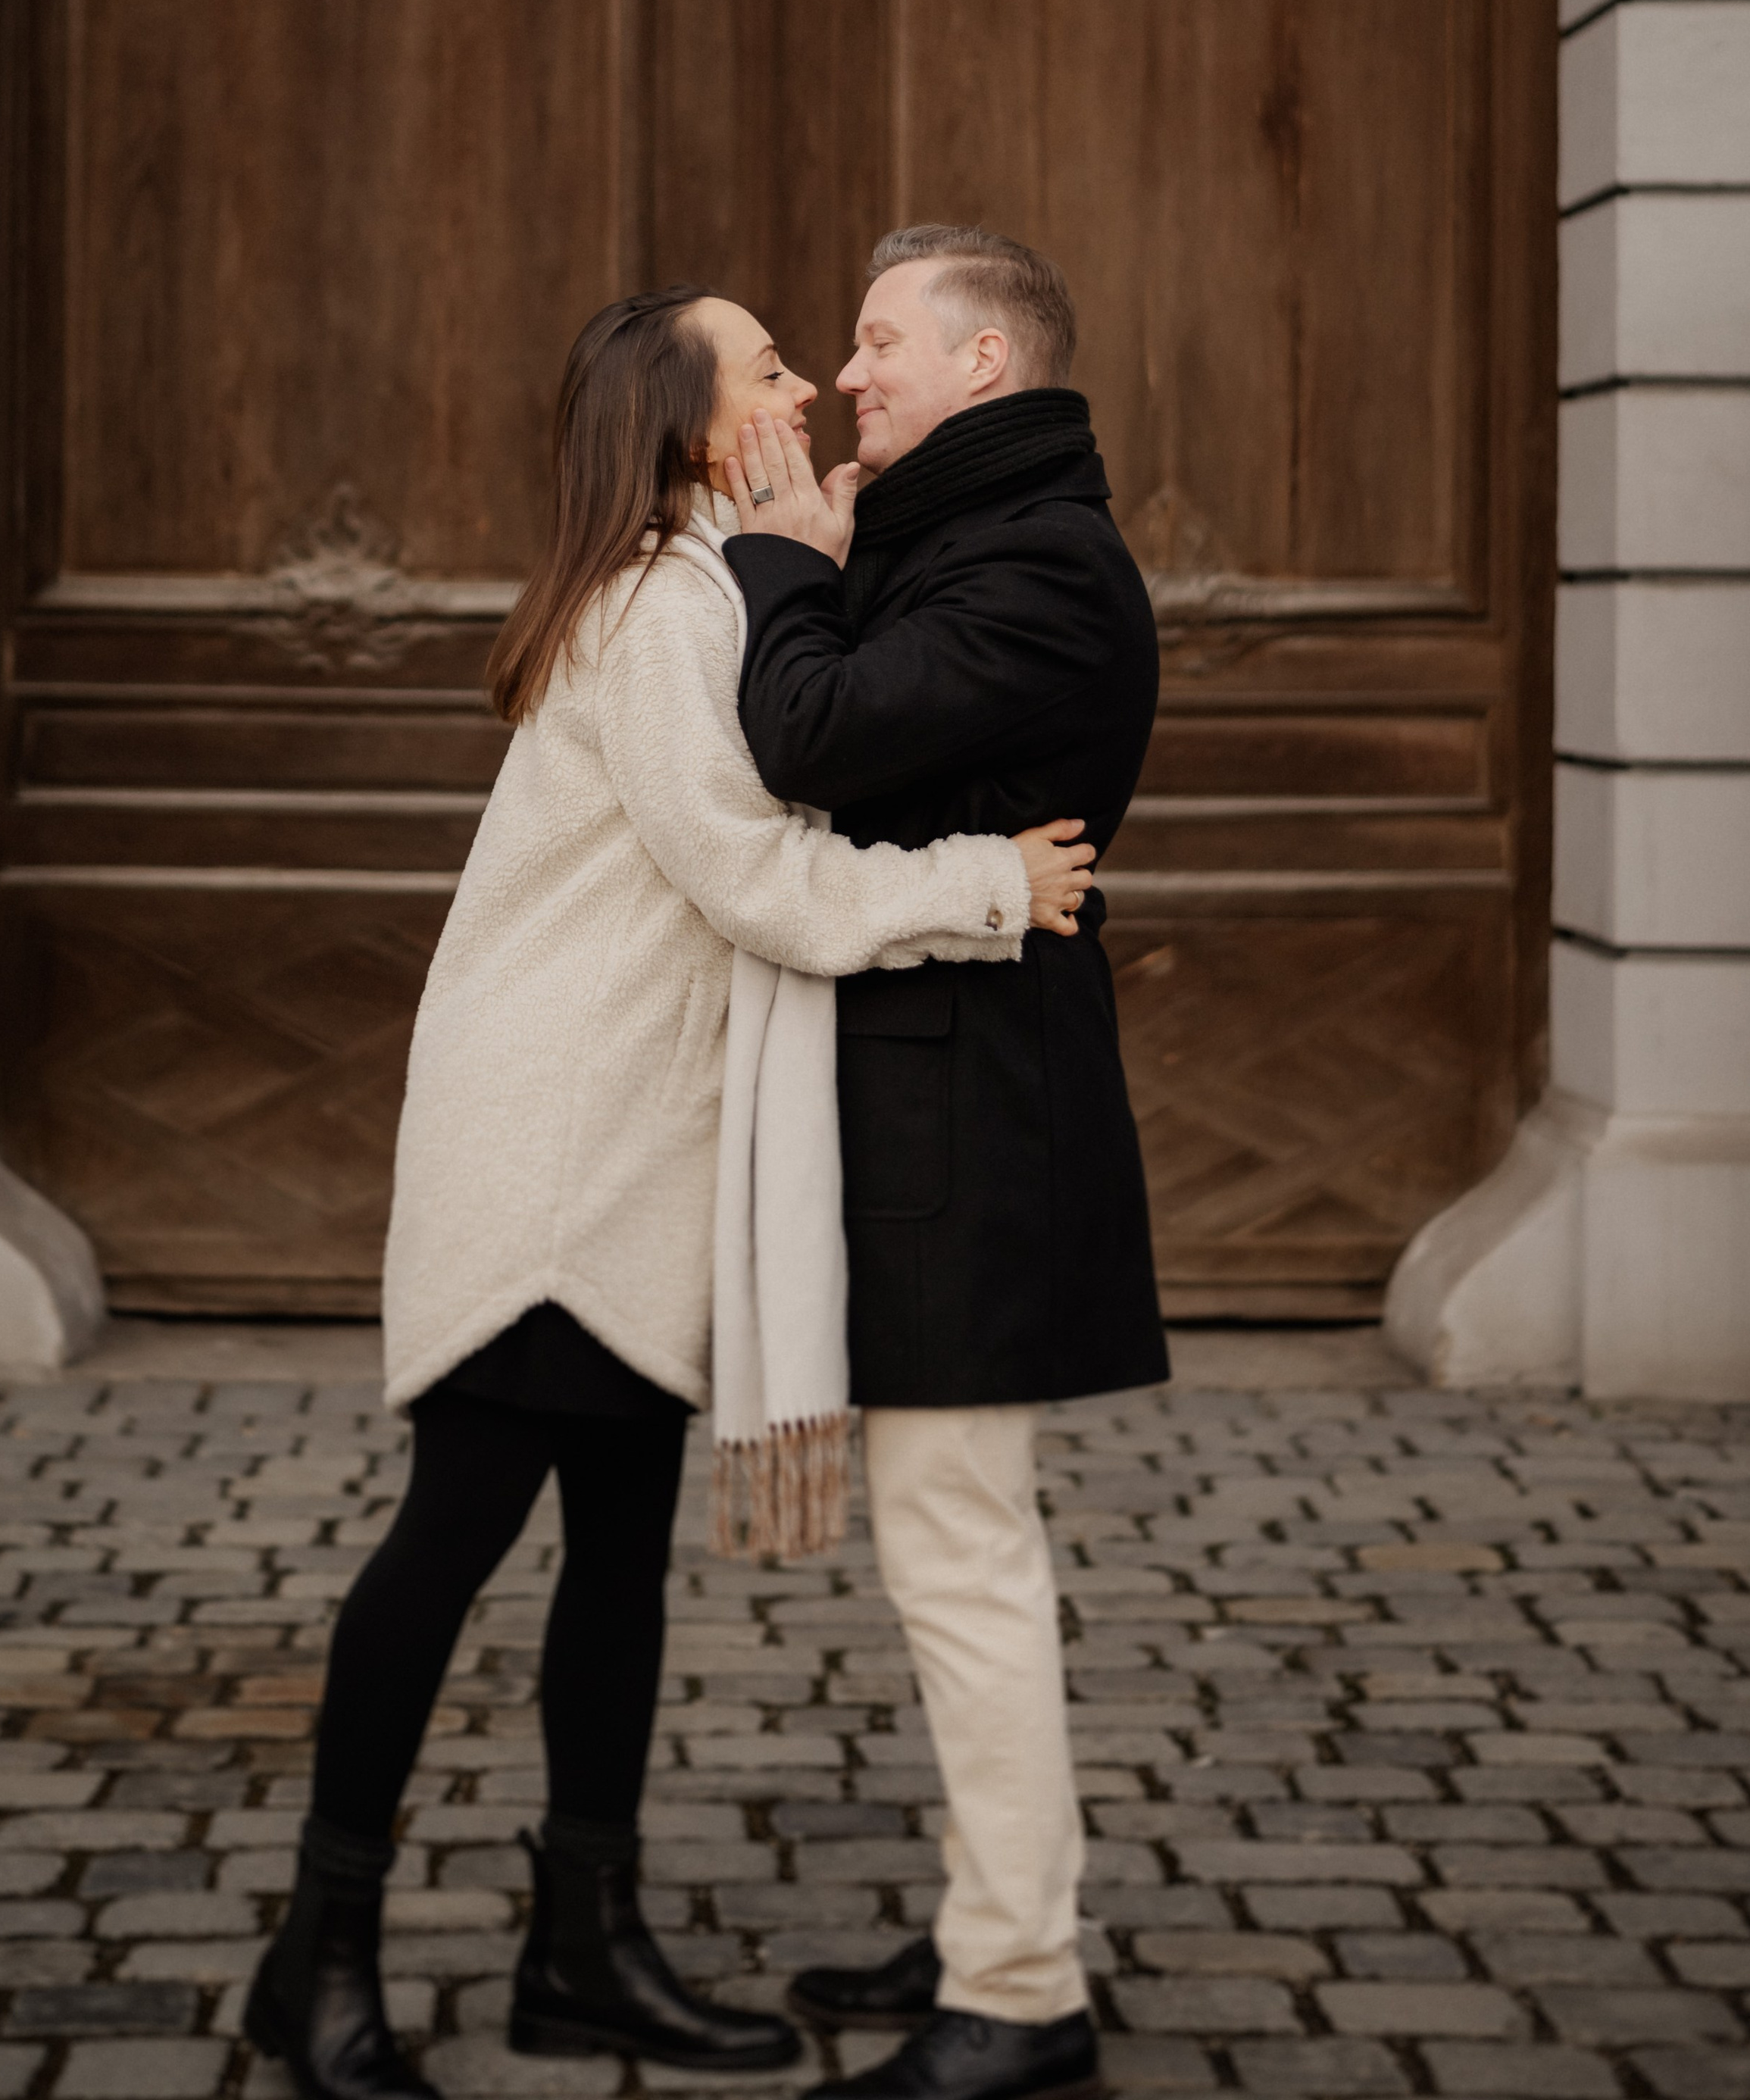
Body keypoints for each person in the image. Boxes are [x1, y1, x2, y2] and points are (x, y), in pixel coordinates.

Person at [244, 283, 1102, 2100]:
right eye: (773, 369)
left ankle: (583, 1947)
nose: (808, 385)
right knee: (450, 1540)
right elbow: (755, 876)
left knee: (617, 1560)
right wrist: (984, 886)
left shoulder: (709, 589)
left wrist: (820, 559)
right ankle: (312, 1957)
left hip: (639, 1165)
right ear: (700, 429)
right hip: (553, 1160)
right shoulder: (658, 604)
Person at [720, 226, 1171, 2100]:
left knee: (960, 1550)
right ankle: (1000, 1903)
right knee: (952, 1548)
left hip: (970, 1120)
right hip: (925, 1101)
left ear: (985, 362)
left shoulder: (1039, 566)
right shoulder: (956, 541)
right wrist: (834, 561)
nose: (847, 371)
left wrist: (775, 561)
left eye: (882, 336)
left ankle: (1017, 1989)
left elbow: (810, 732)